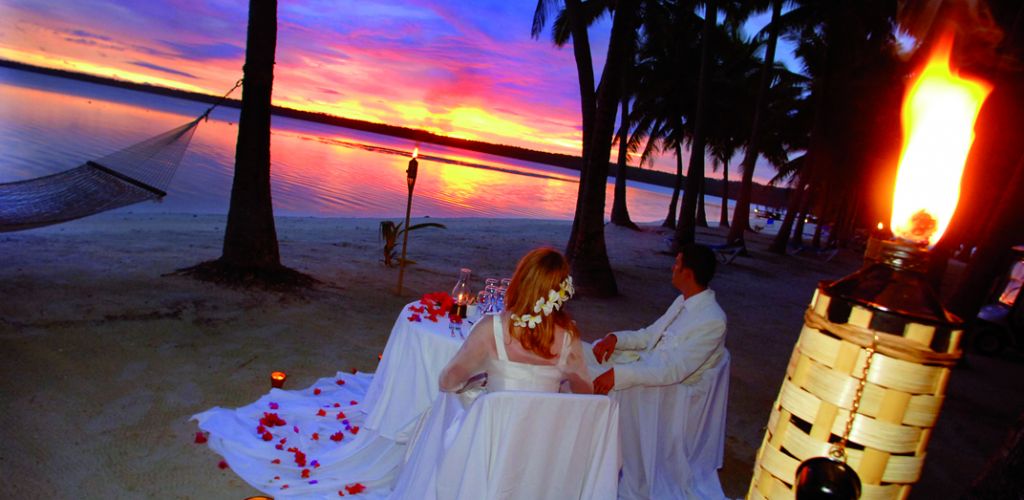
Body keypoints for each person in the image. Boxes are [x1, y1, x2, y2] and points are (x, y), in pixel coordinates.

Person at [589, 243, 729, 500]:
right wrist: (615, 339)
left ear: (688, 273)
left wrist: (621, 375)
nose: (672, 268)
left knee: (596, 380)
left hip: (671, 391)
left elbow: (673, 371)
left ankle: (600, 462)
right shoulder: (682, 302)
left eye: (677, 263)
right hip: (647, 367)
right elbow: (650, 336)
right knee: (588, 352)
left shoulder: (712, 320)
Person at [439, 246, 592, 396]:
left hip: (497, 420)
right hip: (543, 420)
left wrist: (477, 380)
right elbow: (585, 393)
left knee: (453, 401)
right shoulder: (568, 336)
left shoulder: (491, 327)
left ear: (519, 281)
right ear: (562, 291)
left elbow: (447, 382)